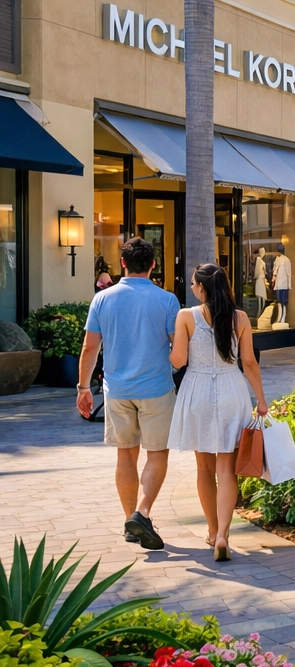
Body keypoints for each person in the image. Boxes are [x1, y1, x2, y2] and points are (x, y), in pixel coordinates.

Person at [76, 236, 182, 551]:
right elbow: (179, 349)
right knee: (157, 453)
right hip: (157, 389)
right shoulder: (167, 300)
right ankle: (142, 513)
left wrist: (83, 387)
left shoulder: (102, 299)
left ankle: (130, 524)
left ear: (123, 263)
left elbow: (90, 347)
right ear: (153, 265)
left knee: (126, 455)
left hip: (117, 390)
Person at [168, 263, 267, 561]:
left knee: (204, 469)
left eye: (194, 284)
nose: (192, 289)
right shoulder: (240, 318)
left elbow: (178, 361)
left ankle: (212, 531)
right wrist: (261, 400)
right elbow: (248, 362)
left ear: (202, 287)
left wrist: (171, 343)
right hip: (230, 390)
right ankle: (224, 533)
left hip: (197, 391)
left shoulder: (186, 316)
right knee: (226, 469)